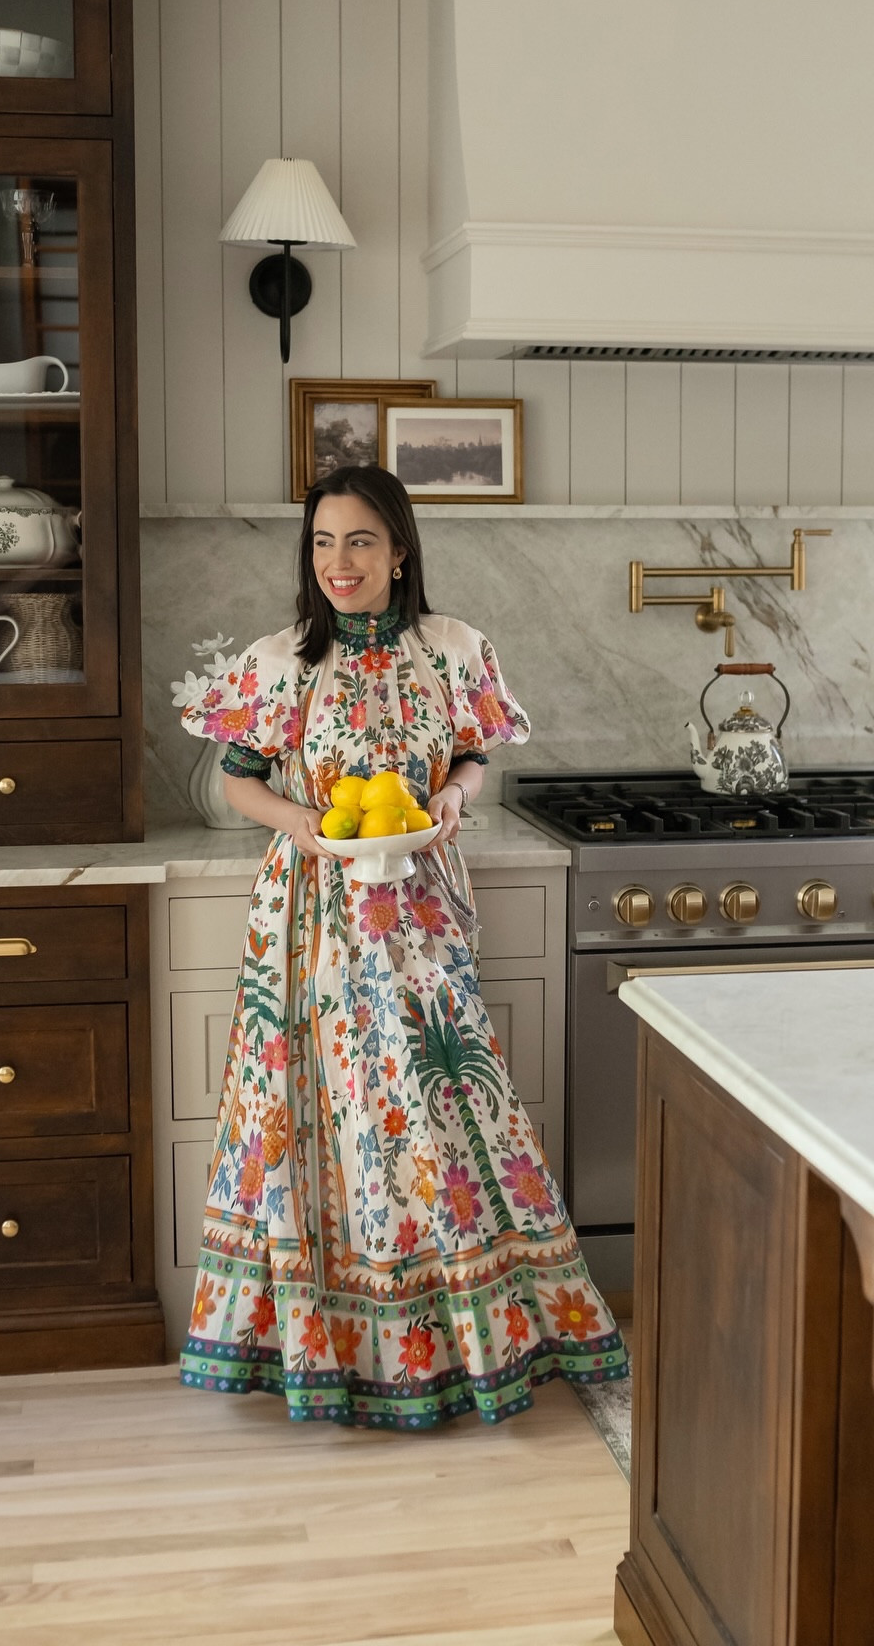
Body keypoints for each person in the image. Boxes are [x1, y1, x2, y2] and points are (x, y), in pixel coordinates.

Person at [175, 464, 626, 1428]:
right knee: (313, 1118)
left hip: (421, 906)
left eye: (361, 542)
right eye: (324, 543)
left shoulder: (453, 648)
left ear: (401, 549)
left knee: (441, 1114)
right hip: (312, 920)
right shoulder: (282, 662)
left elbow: (473, 749)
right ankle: (321, 1350)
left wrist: (456, 797)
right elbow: (236, 781)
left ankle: (457, 1346)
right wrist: (302, 824)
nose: (340, 563)